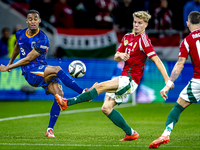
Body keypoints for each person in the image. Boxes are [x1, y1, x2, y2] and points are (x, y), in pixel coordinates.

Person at [55, 11, 172, 141]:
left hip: (130, 80)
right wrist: (120, 56)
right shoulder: (127, 37)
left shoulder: (144, 41)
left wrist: (167, 80)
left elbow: (157, 60)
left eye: (140, 23)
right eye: (135, 22)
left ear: (145, 24)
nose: (136, 25)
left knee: (99, 87)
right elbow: (116, 56)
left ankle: (67, 102)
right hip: (123, 77)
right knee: (106, 108)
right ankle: (131, 133)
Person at [0, 10, 86, 138]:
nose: (33, 21)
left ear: (39, 21)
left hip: (41, 69)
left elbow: (29, 57)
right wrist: (10, 63)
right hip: (30, 72)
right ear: (27, 21)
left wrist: (8, 67)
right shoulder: (19, 34)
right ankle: (83, 92)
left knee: (59, 95)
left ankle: (49, 130)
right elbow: (18, 46)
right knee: (56, 69)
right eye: (30, 19)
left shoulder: (43, 39)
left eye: (36, 19)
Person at [149, 11, 200, 148]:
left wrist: (168, 84)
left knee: (178, 107)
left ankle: (165, 134)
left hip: (198, 81)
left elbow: (179, 65)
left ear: (187, 23)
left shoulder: (187, 40)